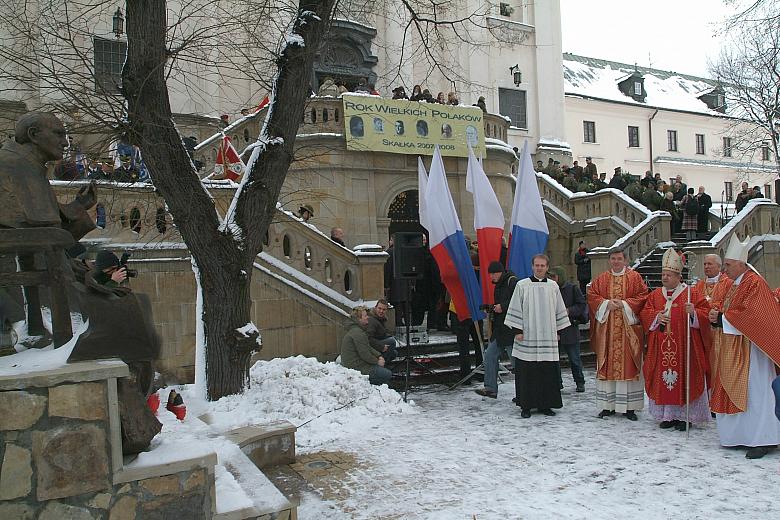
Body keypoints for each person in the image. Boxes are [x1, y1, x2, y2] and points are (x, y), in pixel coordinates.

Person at [708, 235, 780, 458]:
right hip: (736, 346)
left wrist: (722, 319)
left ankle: (764, 439)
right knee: (745, 393)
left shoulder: (754, 282)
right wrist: (716, 317)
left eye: (728, 265)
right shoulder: (735, 284)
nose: (725, 269)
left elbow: (754, 315)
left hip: (753, 351)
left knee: (757, 394)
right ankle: (740, 436)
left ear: (741, 264)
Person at [640, 248, 711, 430]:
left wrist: (693, 313)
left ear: (679, 276)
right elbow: (645, 313)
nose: (665, 278)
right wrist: (656, 317)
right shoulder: (655, 295)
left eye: (668, 275)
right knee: (665, 379)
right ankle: (668, 416)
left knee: (685, 377)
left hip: (686, 347)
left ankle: (685, 417)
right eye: (663, 274)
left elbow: (706, 313)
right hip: (662, 347)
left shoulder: (691, 293)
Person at [504, 254, 570, 418]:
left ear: (547, 268)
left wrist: (558, 331)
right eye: (537, 265)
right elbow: (515, 308)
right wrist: (518, 331)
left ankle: (545, 405)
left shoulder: (553, 286)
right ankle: (526, 405)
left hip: (548, 335)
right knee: (527, 372)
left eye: (543, 266)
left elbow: (559, 309)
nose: (539, 268)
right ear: (532, 266)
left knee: (547, 372)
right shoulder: (522, 285)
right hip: (528, 336)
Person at [588, 249, 648, 421]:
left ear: (625, 260)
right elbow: (592, 295)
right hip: (607, 332)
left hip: (628, 333)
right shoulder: (602, 279)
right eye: (613, 259)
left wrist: (623, 304)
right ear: (609, 261)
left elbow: (643, 296)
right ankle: (608, 406)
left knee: (629, 367)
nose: (616, 262)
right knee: (607, 366)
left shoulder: (635, 278)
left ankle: (629, 408)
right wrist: (606, 304)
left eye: (619, 259)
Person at [475, 261, 519, 398]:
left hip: (511, 330)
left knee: (517, 363)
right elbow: (501, 304)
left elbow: (518, 300)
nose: (491, 277)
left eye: (493, 274)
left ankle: (524, 392)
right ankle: (490, 388)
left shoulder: (512, 282)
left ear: (500, 272)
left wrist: (503, 307)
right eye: (490, 274)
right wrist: (491, 307)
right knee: (489, 356)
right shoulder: (499, 285)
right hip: (500, 330)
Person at [548, 267, 586, 392]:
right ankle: (557, 383)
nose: (552, 279)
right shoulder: (549, 289)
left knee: (574, 359)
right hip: (554, 330)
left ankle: (579, 381)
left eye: (554, 276)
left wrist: (569, 310)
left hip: (570, 329)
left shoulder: (572, 288)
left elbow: (581, 305)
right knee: (554, 360)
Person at [341, 305, 392, 385]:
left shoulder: (359, 330)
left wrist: (379, 356)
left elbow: (367, 347)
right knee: (387, 374)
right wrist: (377, 362)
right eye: (365, 316)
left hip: (359, 364)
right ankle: (372, 388)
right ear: (359, 319)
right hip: (356, 368)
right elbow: (365, 354)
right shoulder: (357, 333)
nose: (367, 317)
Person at [364, 299, 397, 364]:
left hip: (377, 343)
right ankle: (380, 365)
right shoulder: (372, 320)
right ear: (375, 308)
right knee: (392, 341)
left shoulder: (380, 319)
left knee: (394, 353)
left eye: (384, 309)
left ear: (386, 310)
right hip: (371, 347)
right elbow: (368, 338)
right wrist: (381, 346)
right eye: (379, 308)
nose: (381, 311)